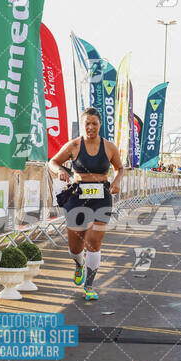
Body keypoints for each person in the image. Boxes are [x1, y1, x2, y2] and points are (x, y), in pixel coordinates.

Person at [48, 107, 124, 301]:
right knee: (75, 246)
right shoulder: (73, 145)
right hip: (77, 195)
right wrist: (59, 171)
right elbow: (53, 162)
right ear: (82, 126)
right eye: (87, 124)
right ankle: (79, 264)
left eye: (94, 124)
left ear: (100, 125)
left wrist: (116, 181)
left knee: (94, 241)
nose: (91, 127)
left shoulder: (109, 147)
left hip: (102, 197)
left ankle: (89, 285)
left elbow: (120, 168)